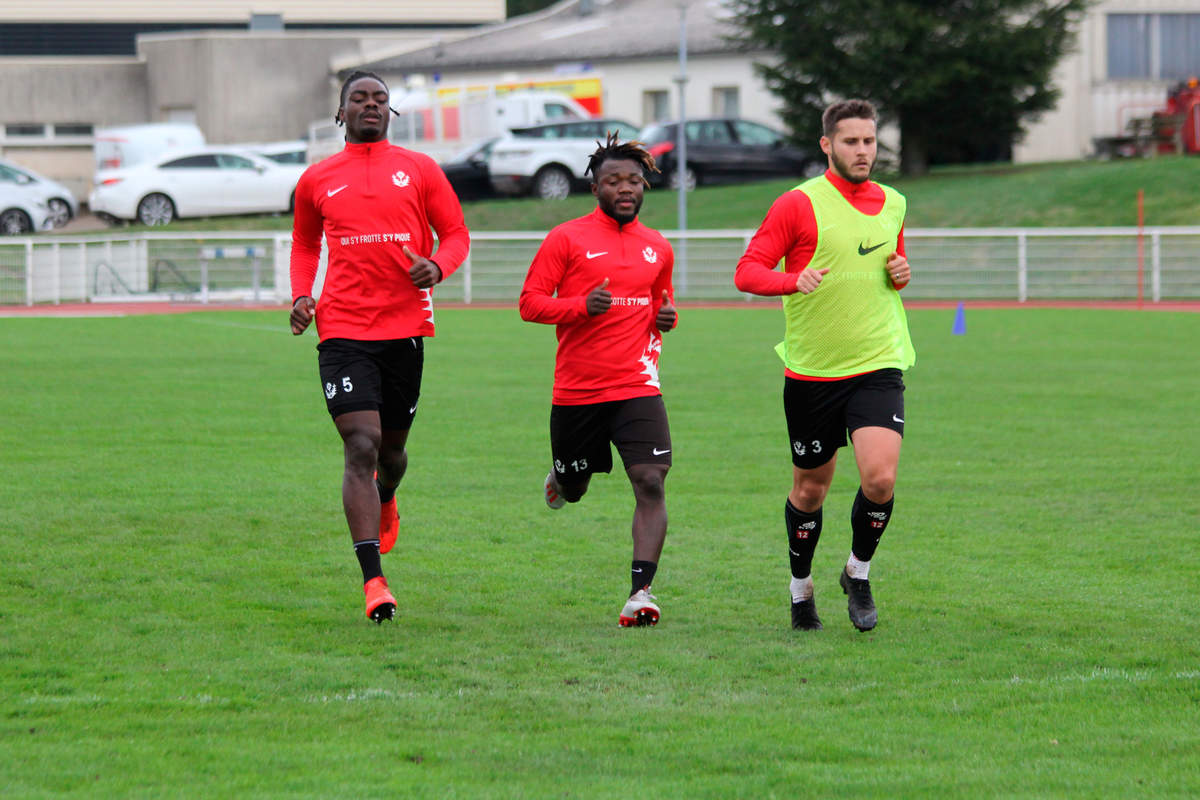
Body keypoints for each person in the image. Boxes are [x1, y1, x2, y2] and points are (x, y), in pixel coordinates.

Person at [289, 70, 470, 623]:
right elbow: (304, 242)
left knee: (390, 454)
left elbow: (457, 233)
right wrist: (301, 295)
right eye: (359, 98)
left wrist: (438, 265)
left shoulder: (419, 170)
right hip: (342, 330)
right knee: (360, 444)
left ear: (390, 112)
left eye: (380, 99)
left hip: (404, 330)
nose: (371, 105)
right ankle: (374, 581)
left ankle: (387, 495)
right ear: (340, 113)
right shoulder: (318, 178)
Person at [734, 99, 914, 632]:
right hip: (813, 373)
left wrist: (901, 273)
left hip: (878, 361)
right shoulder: (797, 204)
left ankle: (857, 573)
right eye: (852, 141)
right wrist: (793, 280)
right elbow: (747, 272)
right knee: (811, 489)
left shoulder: (894, 203)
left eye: (870, 141)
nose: (863, 151)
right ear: (827, 146)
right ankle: (800, 589)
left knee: (880, 478)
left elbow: (890, 270)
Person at [518, 133, 678, 627]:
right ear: (595, 188)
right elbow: (530, 303)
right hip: (578, 391)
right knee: (576, 483)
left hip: (637, 386)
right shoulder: (566, 238)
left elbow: (660, 304)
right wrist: (579, 308)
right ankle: (562, 480)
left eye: (634, 180)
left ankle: (640, 593)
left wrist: (666, 317)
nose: (625, 188)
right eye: (613, 181)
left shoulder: (657, 247)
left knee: (650, 482)